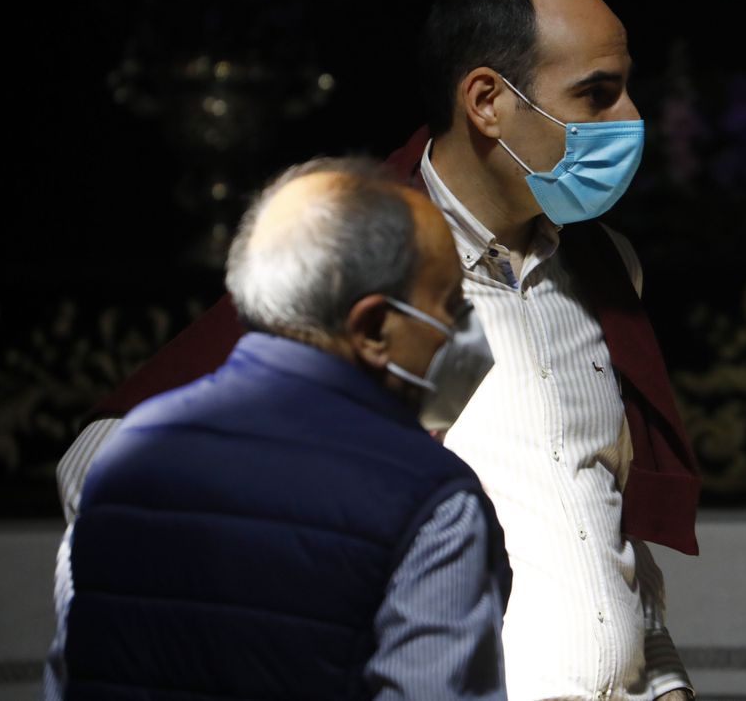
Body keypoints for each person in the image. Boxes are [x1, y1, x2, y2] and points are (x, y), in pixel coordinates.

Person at [55, 0, 701, 701]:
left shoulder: (605, 267)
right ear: (487, 101)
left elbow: (599, 522)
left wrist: (663, 681)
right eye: (596, 93)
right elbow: (102, 468)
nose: (629, 119)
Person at [47, 158, 510, 700]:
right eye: (451, 305)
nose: (466, 334)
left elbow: (69, 676)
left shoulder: (120, 455)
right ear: (372, 327)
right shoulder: (432, 503)